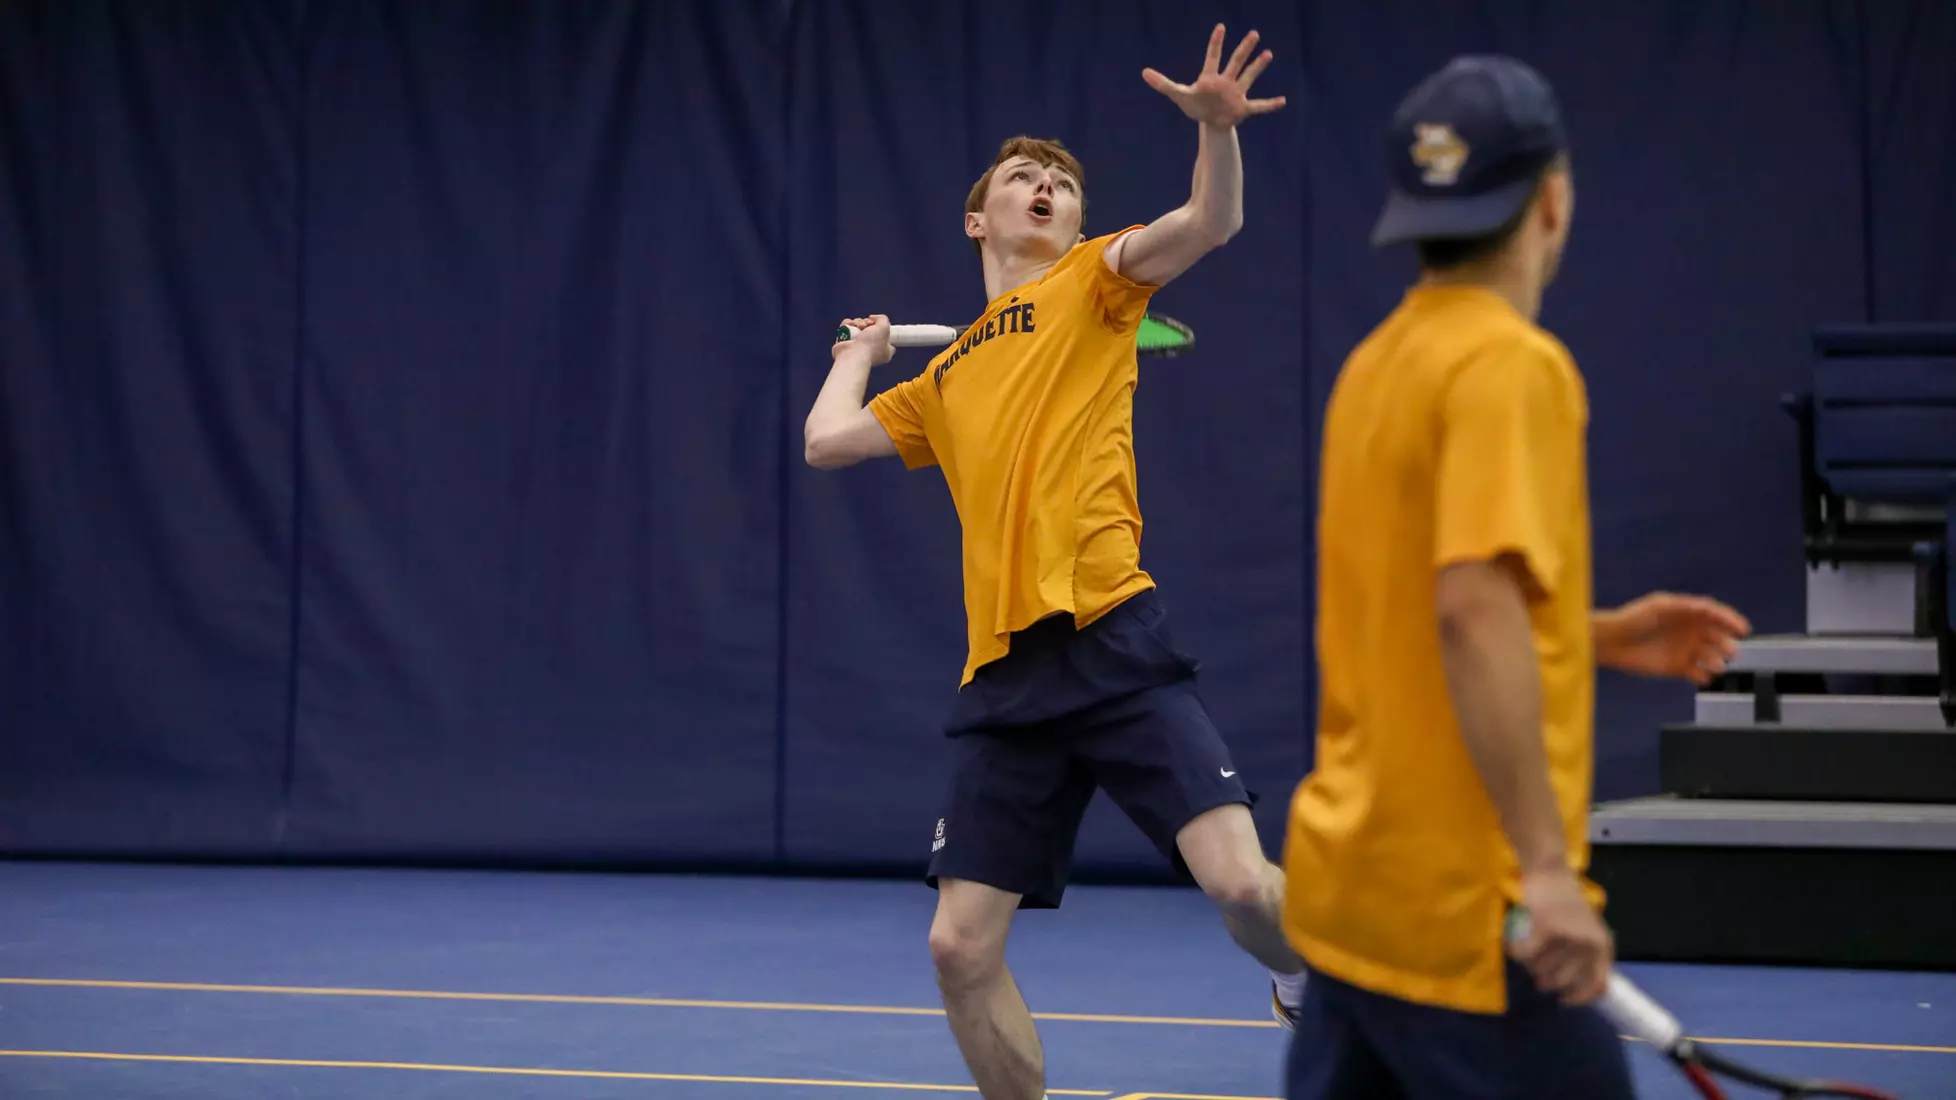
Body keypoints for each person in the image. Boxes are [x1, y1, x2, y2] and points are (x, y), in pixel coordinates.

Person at [802, 23, 1302, 1100]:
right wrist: (859, 354)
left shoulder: (1095, 280)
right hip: (1004, 679)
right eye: (1023, 178)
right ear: (978, 217)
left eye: (1060, 183)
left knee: (1246, 889)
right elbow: (825, 441)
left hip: (1112, 635)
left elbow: (1211, 220)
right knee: (957, 948)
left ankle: (1308, 973)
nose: (1045, 187)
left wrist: (1216, 133)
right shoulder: (940, 385)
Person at [1279, 55, 1752, 1099]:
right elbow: (1468, 609)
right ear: (1552, 198)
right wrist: (1546, 870)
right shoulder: (1514, 366)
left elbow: (1420, 609)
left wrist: (1594, 632)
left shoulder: (1374, 364)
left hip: (1350, 897)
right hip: (1472, 915)